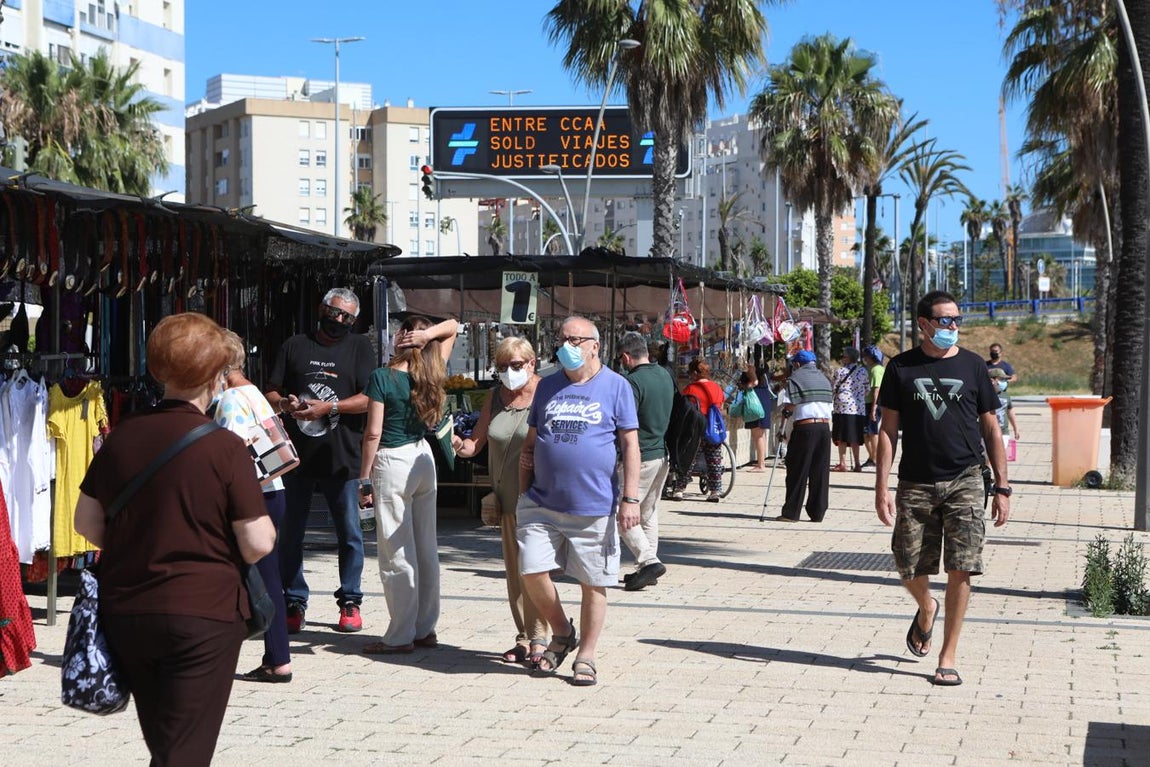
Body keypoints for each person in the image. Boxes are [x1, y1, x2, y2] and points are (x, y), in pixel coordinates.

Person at [74, 312, 275, 765]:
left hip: (129, 611)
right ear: (214, 376)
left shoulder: (123, 437)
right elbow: (258, 543)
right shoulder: (224, 447)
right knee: (184, 752)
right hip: (203, 615)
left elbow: (85, 522)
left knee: (167, 744)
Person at [876, 290, 1010, 688]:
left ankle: (947, 656)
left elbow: (991, 426)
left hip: (966, 478)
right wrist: (880, 486)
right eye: (946, 320)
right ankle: (926, 606)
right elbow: (887, 430)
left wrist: (1002, 486)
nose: (954, 326)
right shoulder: (901, 368)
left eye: (957, 320)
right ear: (924, 324)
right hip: (915, 479)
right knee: (907, 564)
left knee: (962, 566)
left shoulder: (972, 366)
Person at [516, 316, 641, 686]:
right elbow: (531, 439)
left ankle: (585, 654)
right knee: (532, 569)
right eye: (562, 338)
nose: (566, 345)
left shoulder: (617, 387)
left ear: (594, 345)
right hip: (541, 502)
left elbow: (630, 444)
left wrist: (630, 499)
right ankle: (561, 630)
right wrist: (522, 488)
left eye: (575, 339)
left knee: (593, 582)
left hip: (594, 505)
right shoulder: (547, 386)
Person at [266, 287, 373, 634]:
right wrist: (286, 405)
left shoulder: (359, 347)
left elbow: (370, 398)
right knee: (291, 533)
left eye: (346, 316)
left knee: (350, 533)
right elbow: (270, 391)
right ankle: (294, 601)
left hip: (342, 457)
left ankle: (350, 601)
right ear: (321, 308)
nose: (338, 320)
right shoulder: (294, 345)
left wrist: (331, 407)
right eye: (334, 312)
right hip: (296, 459)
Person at [358, 315, 458, 654]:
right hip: (422, 457)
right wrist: (428, 336)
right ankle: (424, 627)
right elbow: (454, 326)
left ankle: (400, 634)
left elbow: (372, 433)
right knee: (426, 547)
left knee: (395, 549)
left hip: (392, 459)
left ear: (402, 336)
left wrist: (363, 477)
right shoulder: (432, 371)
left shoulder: (382, 377)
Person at [452, 336, 547, 663]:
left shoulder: (546, 394)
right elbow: (474, 443)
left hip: (539, 499)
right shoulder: (495, 397)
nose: (509, 373)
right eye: (502, 367)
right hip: (506, 500)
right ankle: (524, 636)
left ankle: (539, 638)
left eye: (516, 366)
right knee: (514, 572)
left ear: (532, 364)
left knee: (534, 569)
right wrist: (453, 441)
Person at [214, 330, 293, 683]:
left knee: (235, 575)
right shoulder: (255, 393)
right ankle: (278, 657)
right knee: (268, 576)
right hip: (273, 490)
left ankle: (225, 652)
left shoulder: (231, 399)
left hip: (250, 495)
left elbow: (230, 454)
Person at [616, 331, 675, 592]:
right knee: (648, 514)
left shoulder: (632, 382)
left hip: (639, 456)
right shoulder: (665, 374)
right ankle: (647, 569)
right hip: (662, 455)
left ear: (627, 356)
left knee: (623, 513)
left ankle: (648, 561)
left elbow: (624, 422)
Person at [773, 350, 832, 523]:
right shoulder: (825, 379)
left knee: (797, 470)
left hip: (805, 428)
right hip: (824, 427)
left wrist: (782, 428)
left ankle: (791, 513)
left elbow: (789, 406)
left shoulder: (795, 379)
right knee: (820, 471)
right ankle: (817, 512)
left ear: (797, 364)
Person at [668, 358, 726, 502]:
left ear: (695, 373)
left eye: (690, 372)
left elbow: (684, 409)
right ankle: (715, 491)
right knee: (714, 460)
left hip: (695, 429)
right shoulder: (717, 388)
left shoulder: (690, 389)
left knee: (689, 458)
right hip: (712, 429)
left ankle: (680, 489)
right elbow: (721, 407)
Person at [831, 346, 869, 472]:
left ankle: (843, 463)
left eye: (844, 356)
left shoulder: (840, 371)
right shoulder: (863, 371)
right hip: (858, 408)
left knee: (841, 436)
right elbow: (867, 390)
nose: (842, 358)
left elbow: (834, 387)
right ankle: (857, 464)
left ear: (849, 358)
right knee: (855, 437)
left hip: (842, 407)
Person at [741, 362, 774, 472]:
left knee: (758, 434)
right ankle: (761, 462)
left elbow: (754, 382)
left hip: (756, 401)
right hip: (762, 399)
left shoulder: (752, 368)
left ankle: (761, 465)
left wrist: (744, 386)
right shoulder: (764, 371)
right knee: (761, 434)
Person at [860, 345, 885, 469]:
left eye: (866, 355)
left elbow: (877, 389)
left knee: (872, 431)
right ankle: (872, 457)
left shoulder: (876, 369)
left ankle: (875, 457)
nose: (864, 357)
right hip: (867, 402)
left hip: (873, 403)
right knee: (866, 433)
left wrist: (874, 408)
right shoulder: (869, 368)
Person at [989, 367, 1021, 439]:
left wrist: (1016, 428)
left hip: (1003, 433)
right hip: (987, 433)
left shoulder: (1005, 395)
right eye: (1001, 379)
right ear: (992, 380)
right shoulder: (984, 395)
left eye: (1005, 379)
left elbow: (1010, 412)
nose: (1004, 382)